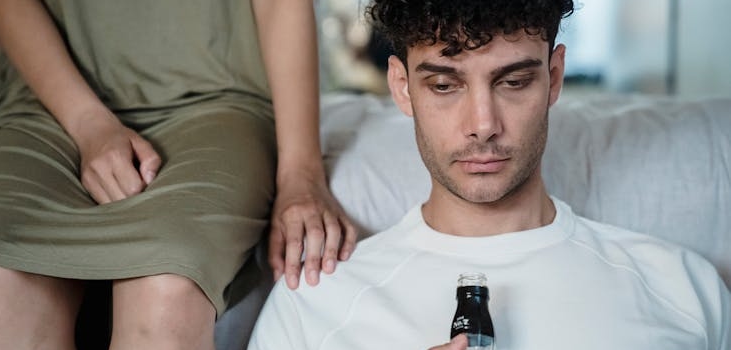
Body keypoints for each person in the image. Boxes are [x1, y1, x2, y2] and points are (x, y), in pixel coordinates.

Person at [248, 1, 731, 349]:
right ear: (402, 87)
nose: (483, 124)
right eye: (444, 85)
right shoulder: (318, 305)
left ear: (554, 78)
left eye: (514, 82)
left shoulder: (682, 287)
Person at [0, 0, 357, 349]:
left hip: (215, 97)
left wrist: (300, 173)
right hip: (44, 102)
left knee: (168, 290)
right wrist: (88, 123)